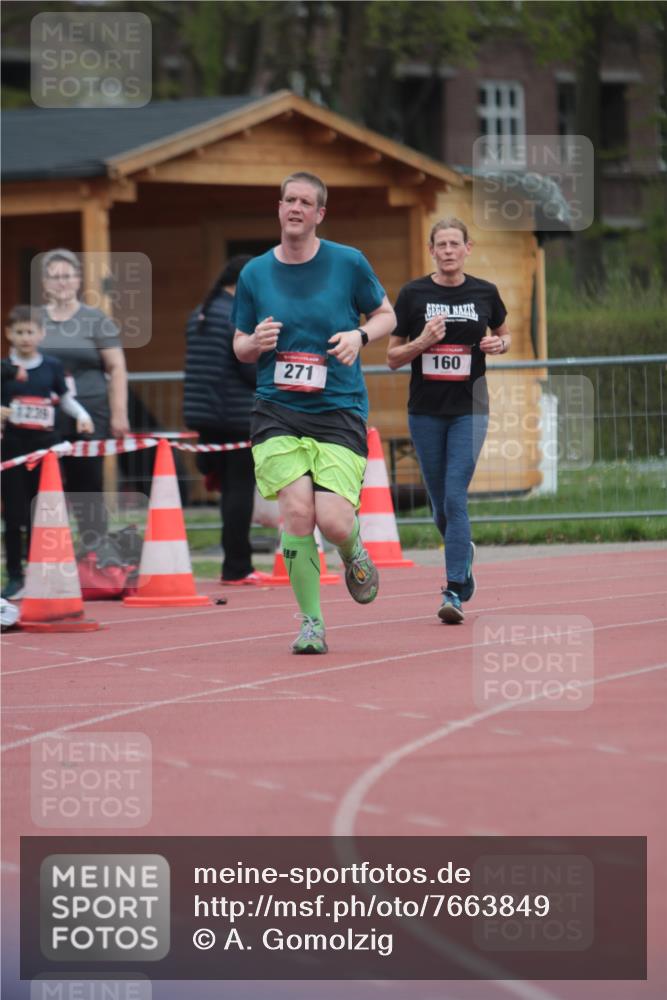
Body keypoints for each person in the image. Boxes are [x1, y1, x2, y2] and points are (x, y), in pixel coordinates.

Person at [233, 171, 396, 654]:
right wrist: (253, 343)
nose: (296, 208)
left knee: (334, 520)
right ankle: (311, 624)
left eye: (306, 202)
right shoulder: (254, 273)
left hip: (338, 408)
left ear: (320, 213)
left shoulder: (349, 263)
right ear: (279, 207)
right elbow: (239, 344)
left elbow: (386, 314)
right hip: (277, 409)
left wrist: (359, 336)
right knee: (298, 513)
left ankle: (353, 550)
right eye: (289, 200)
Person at [387, 217, 511, 624]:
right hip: (425, 410)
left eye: (455, 243)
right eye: (441, 244)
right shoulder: (413, 294)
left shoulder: (485, 293)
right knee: (440, 505)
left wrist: (499, 344)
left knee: (455, 496)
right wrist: (422, 342)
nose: (448, 250)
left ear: (467, 248)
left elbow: (504, 334)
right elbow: (392, 357)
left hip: (469, 409)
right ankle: (465, 554)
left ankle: (453, 589)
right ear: (432, 250)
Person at [183, 254, 269, 585]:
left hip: (205, 415)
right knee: (239, 491)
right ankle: (237, 566)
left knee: (227, 491)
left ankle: (234, 563)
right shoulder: (237, 316)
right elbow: (247, 368)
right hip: (235, 415)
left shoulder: (202, 313)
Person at [40, 248, 129, 555]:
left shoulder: (95, 319)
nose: (61, 282)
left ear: (78, 280)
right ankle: (48, 554)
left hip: (91, 413)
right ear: (44, 283)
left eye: (66, 276)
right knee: (43, 485)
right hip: (45, 416)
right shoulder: (35, 319)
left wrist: (119, 414)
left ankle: (95, 554)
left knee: (86, 484)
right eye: (54, 277)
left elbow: (116, 367)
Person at [1, 305, 93, 599]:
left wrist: (82, 415)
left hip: (45, 451)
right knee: (15, 515)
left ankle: (45, 572)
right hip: (12, 451)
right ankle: (16, 576)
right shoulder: (3, 369)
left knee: (45, 512)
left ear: (40, 334)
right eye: (19, 332)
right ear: (9, 334)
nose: (25, 337)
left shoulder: (53, 367)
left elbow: (66, 399)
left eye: (30, 331)